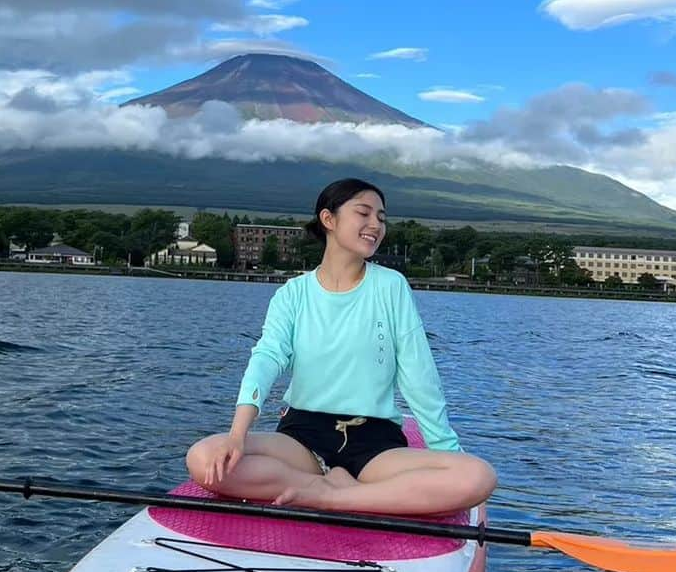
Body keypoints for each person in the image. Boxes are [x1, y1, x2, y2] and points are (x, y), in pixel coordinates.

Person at [186, 178, 496, 514]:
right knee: (203, 457)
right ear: (328, 219)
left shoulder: (391, 286)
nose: (376, 225)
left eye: (382, 218)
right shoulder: (293, 293)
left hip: (375, 443)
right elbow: (267, 358)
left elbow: (418, 374)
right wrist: (237, 435)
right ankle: (324, 484)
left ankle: (330, 497)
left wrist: (447, 451)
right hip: (301, 438)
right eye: (364, 213)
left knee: (477, 476)